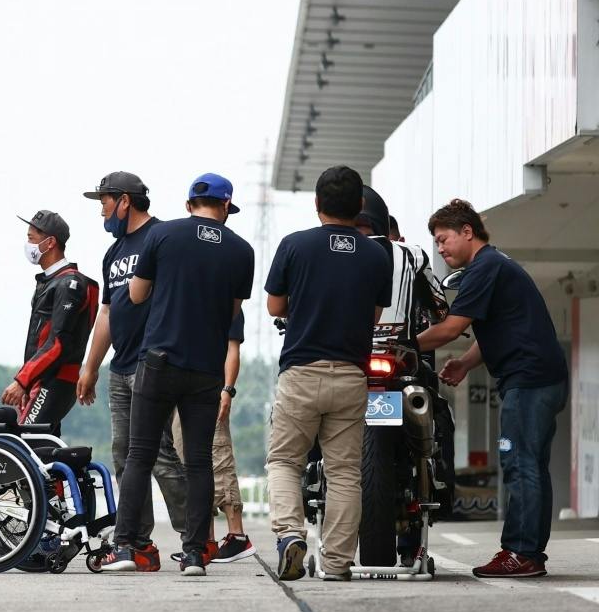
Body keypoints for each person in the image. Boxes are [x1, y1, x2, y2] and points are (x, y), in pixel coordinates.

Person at [104, 173, 253, 578]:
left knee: (139, 455)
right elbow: (231, 312)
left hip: (158, 362)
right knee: (199, 461)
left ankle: (124, 546)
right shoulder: (242, 250)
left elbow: (136, 294)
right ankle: (194, 555)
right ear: (226, 207)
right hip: (205, 368)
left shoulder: (162, 235)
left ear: (189, 205)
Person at [421, 199, 569, 578]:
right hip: (540, 377)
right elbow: (500, 329)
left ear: (467, 231)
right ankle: (529, 553)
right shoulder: (494, 264)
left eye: (443, 239)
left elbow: (451, 328)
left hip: (529, 380)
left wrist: (398, 345)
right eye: (436, 242)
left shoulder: (484, 268)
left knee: (519, 463)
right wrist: (465, 363)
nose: (440, 248)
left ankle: (521, 552)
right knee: (529, 464)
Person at [263, 166, 391, 582]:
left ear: (317, 203)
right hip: (351, 375)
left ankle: (289, 535)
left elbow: (275, 306)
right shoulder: (378, 255)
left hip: (301, 372)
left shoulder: (294, 245)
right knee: (345, 473)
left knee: (285, 460)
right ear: (359, 206)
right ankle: (336, 563)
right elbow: (374, 316)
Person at [76, 171, 188, 568]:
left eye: (105, 201)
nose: (102, 211)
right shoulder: (114, 252)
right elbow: (107, 313)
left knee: (159, 453)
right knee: (124, 456)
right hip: (120, 367)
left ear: (125, 200)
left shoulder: (161, 238)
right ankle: (139, 544)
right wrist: (91, 367)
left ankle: (195, 536)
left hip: (152, 363)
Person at [355, 185, 454, 524]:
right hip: (399, 359)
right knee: (439, 412)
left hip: (347, 360)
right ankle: (441, 483)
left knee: (308, 415)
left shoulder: (328, 251)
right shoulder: (411, 255)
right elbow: (440, 309)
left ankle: (309, 476)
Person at [167, 308, 252, 563]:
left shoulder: (227, 303)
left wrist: (227, 389)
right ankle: (206, 540)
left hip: (210, 390)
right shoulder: (186, 300)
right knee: (190, 464)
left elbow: (232, 349)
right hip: (183, 389)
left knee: (219, 458)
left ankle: (237, 536)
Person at [2, 210, 98, 432]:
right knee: (42, 446)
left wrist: (22, 380)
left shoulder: (69, 284)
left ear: (50, 243)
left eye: (31, 238)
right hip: (42, 380)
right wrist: (29, 381)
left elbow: (58, 343)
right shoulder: (51, 281)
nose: (28, 244)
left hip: (55, 381)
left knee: (25, 443)